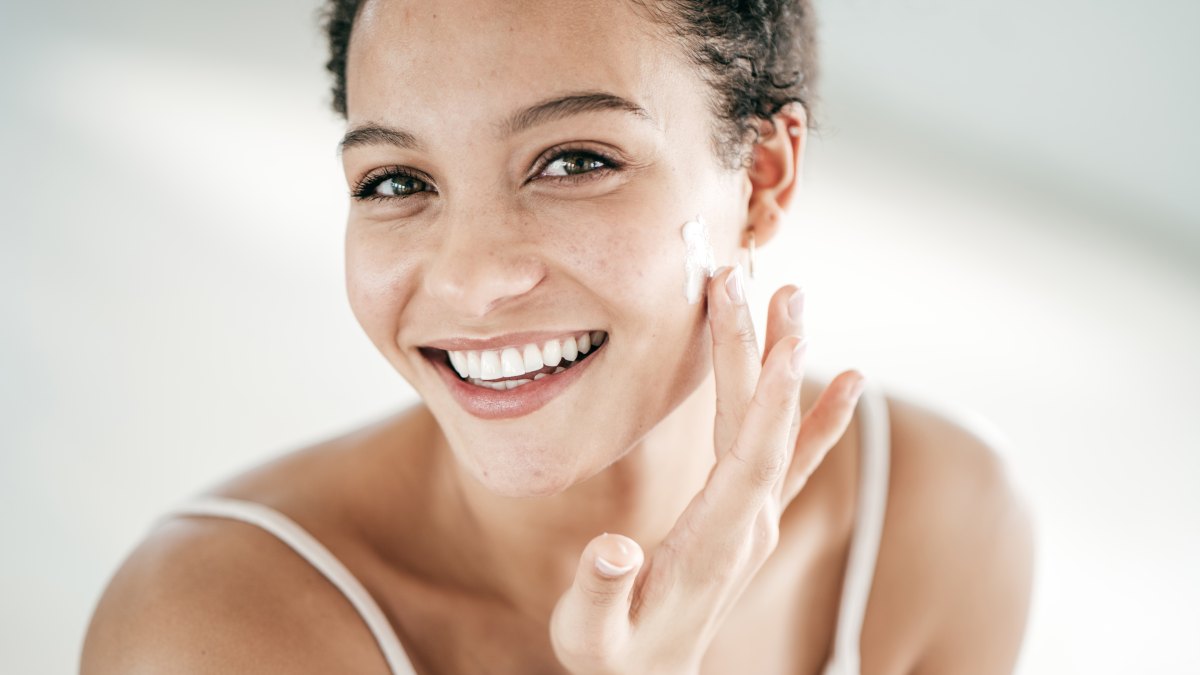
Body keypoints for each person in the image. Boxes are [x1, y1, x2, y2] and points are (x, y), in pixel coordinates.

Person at [81, 1, 1034, 673]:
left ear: (762, 178)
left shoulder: (935, 524)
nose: (469, 278)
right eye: (396, 181)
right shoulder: (209, 630)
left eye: (575, 161)